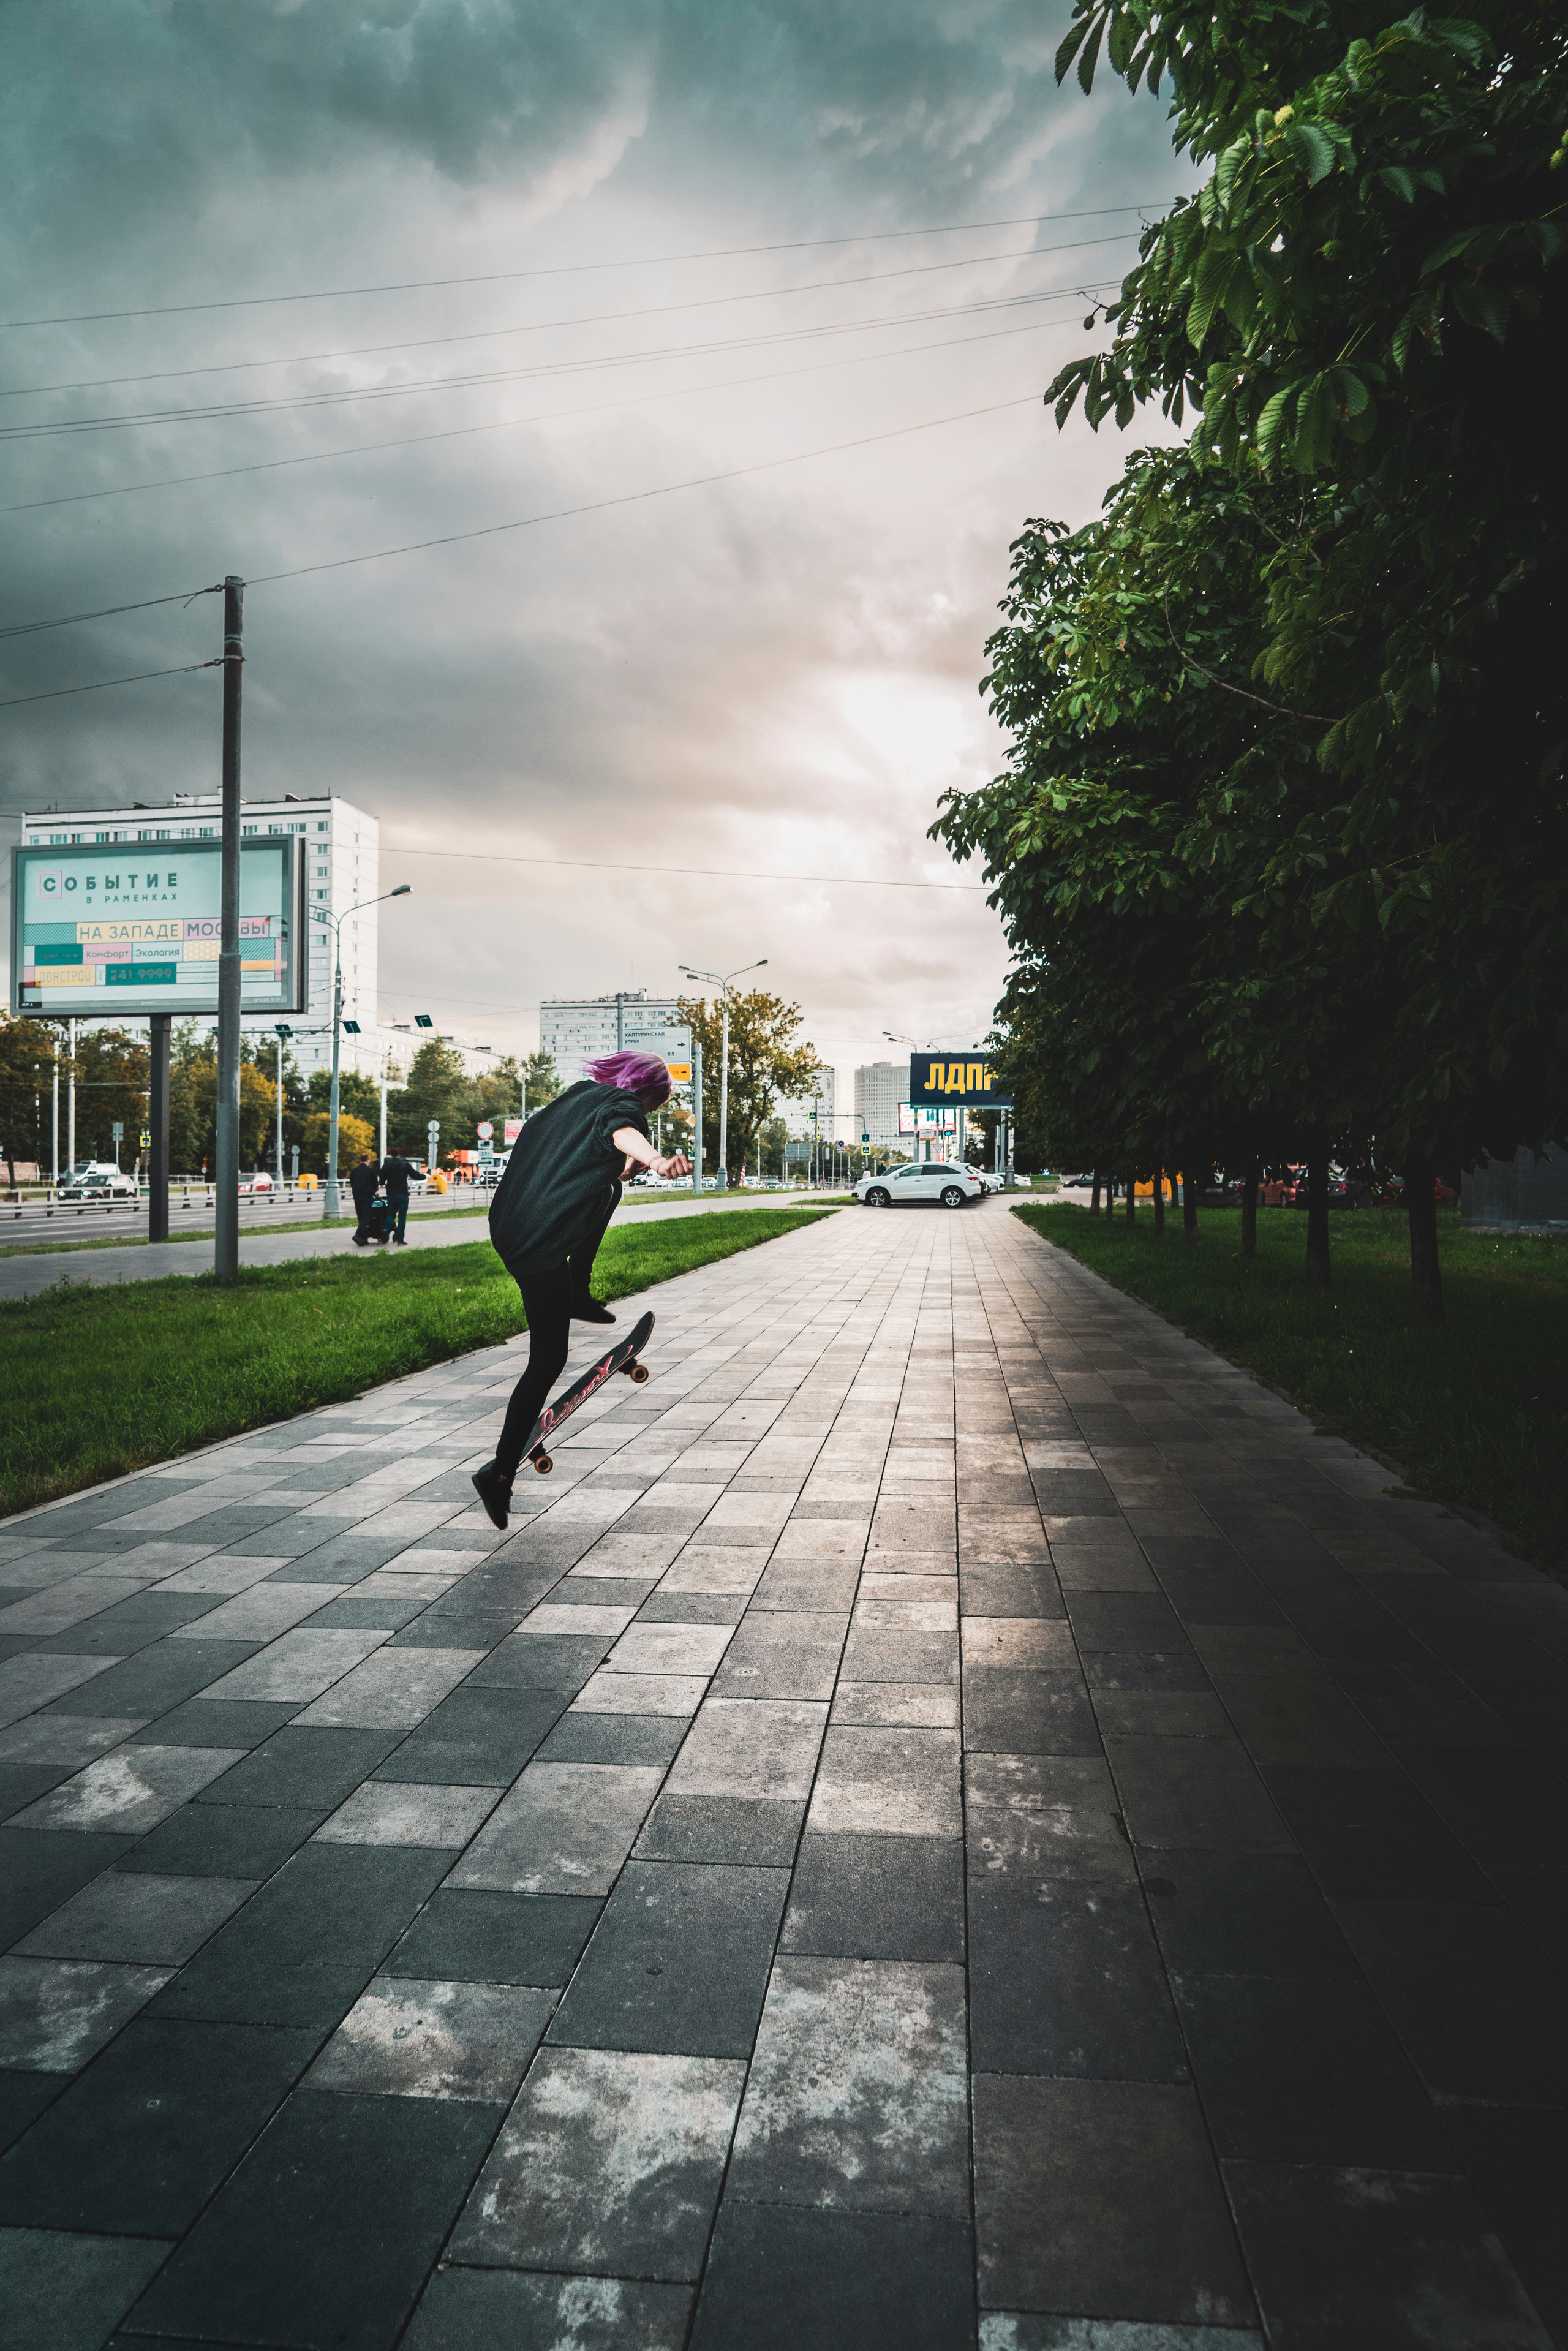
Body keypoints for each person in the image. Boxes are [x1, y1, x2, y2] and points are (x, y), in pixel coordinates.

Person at [471, 1051, 690, 1528]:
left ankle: (577, 1291)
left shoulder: (572, 1100)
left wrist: (627, 1169)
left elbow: (593, 1163)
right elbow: (620, 1130)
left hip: (509, 1227)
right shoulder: (622, 1107)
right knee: (547, 1358)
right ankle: (500, 1472)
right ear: (645, 1093)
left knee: (611, 1188)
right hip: (541, 1244)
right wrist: (653, 1160)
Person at [379, 1149, 414, 1245]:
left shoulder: (386, 1165)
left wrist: (384, 1182)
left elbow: (381, 1180)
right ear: (399, 1155)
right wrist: (423, 1177)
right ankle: (400, 1239)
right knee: (402, 1217)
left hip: (391, 1194)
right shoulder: (405, 1164)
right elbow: (415, 1175)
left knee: (391, 1215)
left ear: (390, 1155)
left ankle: (386, 1229)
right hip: (403, 1194)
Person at [348, 1153, 380, 1246]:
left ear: (360, 1161)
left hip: (357, 1197)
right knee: (366, 1217)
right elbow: (375, 1184)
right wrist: (374, 1191)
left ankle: (364, 1239)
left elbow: (352, 1183)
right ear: (368, 1161)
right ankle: (358, 1235)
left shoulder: (354, 1171)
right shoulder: (371, 1171)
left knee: (360, 1217)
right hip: (367, 1196)